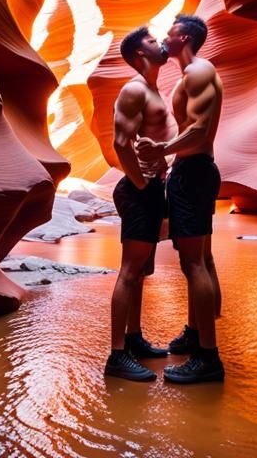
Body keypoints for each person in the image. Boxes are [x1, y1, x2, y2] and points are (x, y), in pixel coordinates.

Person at [136, 13, 224, 384]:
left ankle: (208, 357)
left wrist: (162, 150)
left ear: (183, 36)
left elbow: (200, 131)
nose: (162, 38)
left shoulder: (199, 72)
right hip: (192, 172)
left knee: (193, 265)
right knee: (201, 257)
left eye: (168, 33)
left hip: (195, 172)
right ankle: (195, 332)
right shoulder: (192, 73)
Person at [104, 26, 174, 382]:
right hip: (138, 191)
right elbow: (120, 143)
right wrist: (143, 183)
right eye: (151, 40)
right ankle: (117, 356)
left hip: (150, 190)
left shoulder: (153, 90)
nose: (160, 42)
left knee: (142, 273)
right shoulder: (134, 89)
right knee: (129, 273)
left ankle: (133, 339)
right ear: (139, 56)